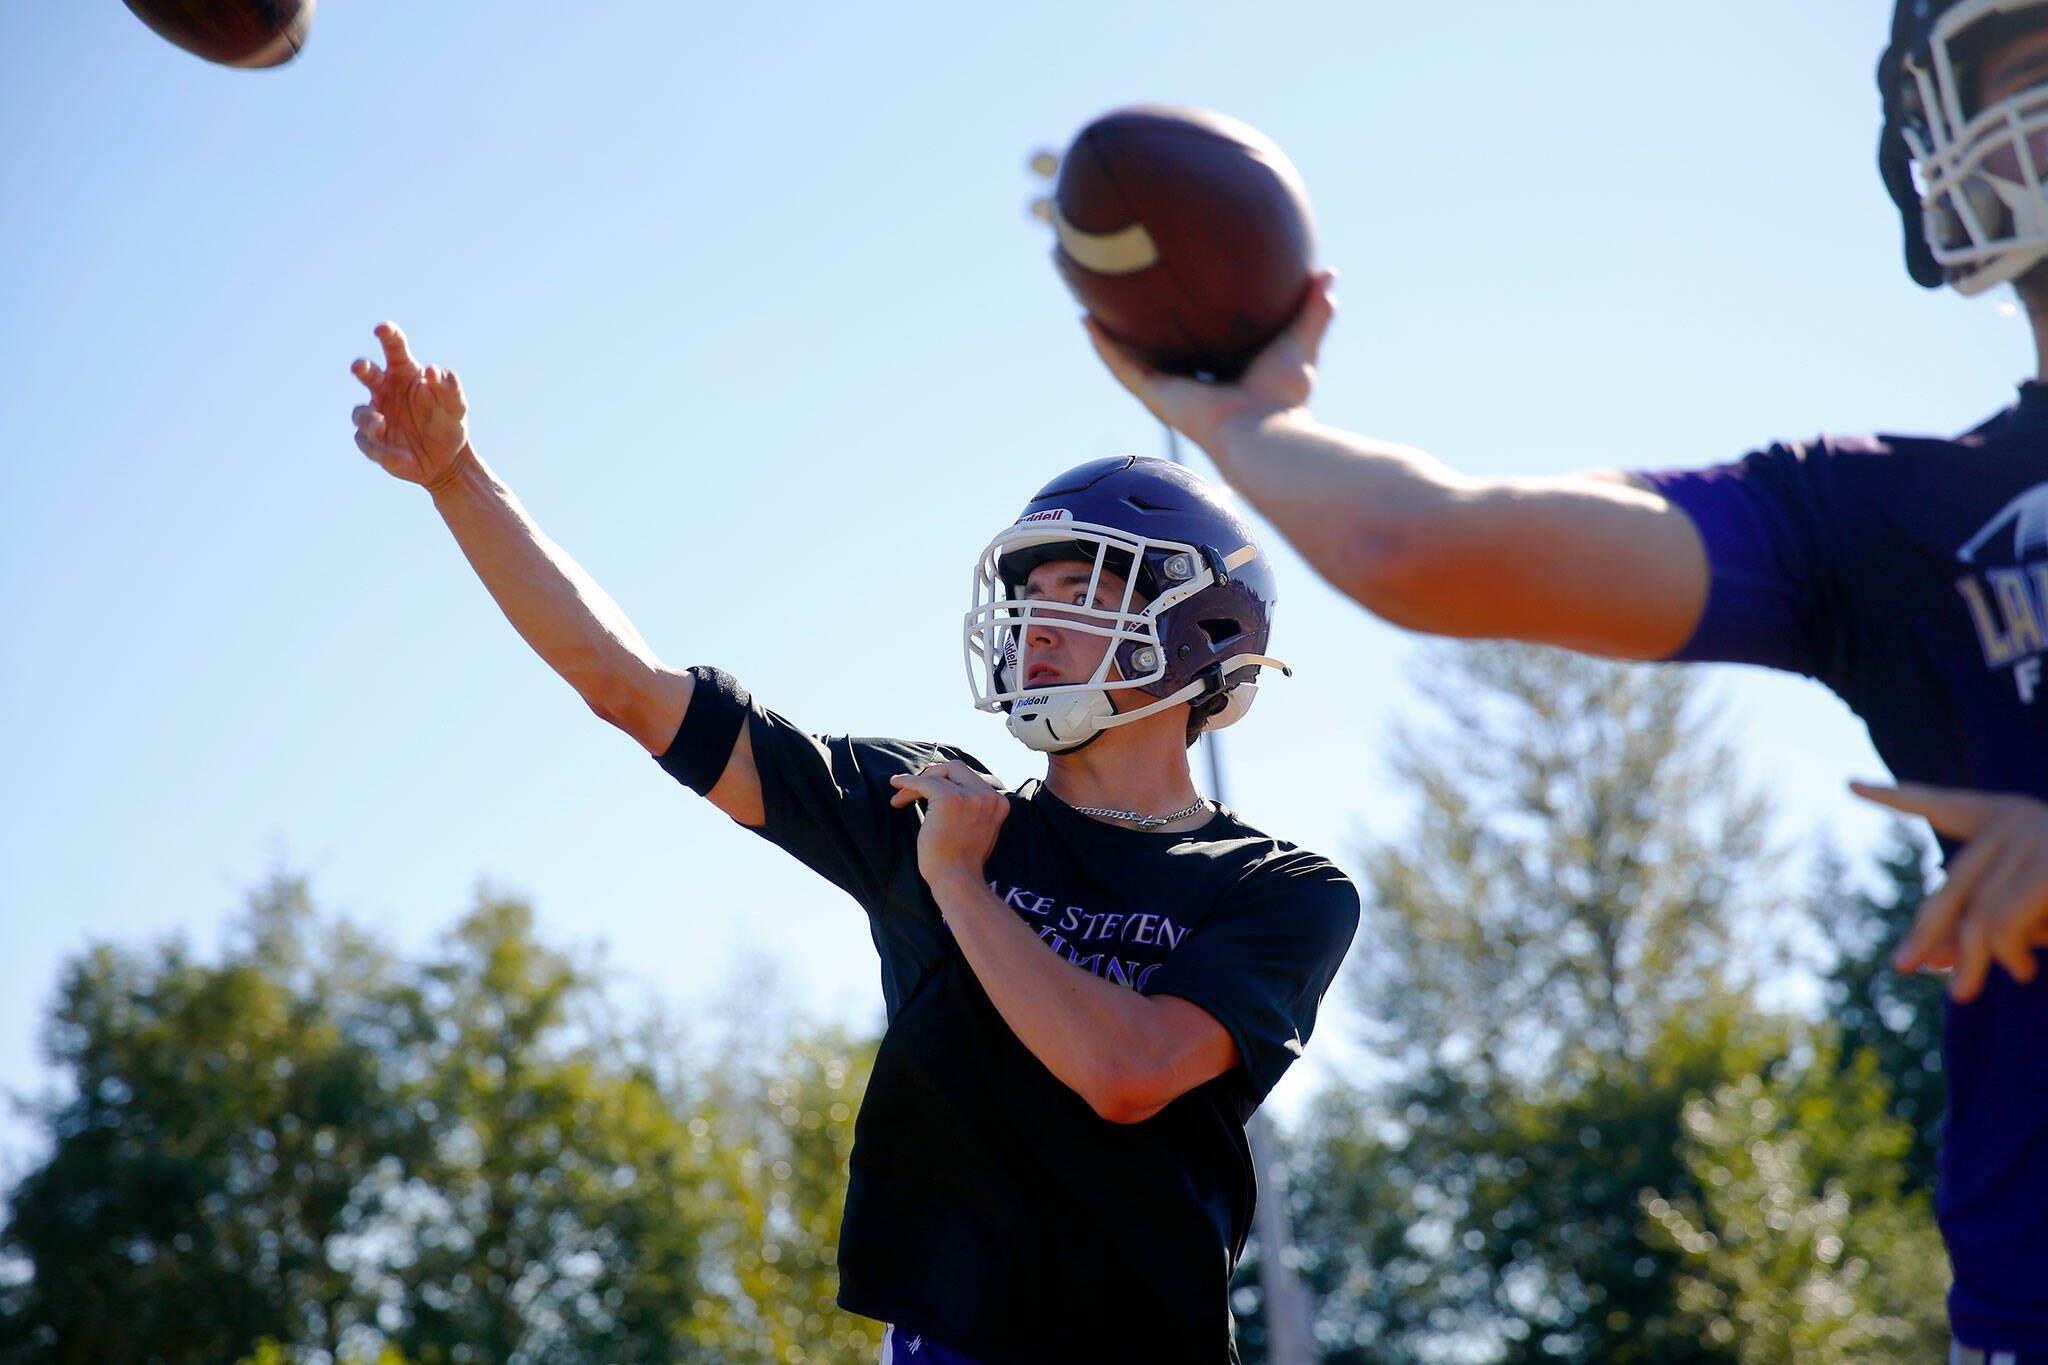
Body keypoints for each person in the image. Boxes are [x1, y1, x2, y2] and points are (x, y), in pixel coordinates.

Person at [1087, 1, 2048, 1358]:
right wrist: (1246, 425)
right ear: (1936, 137)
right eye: (2028, 57)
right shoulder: (1900, 519)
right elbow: (1429, 547)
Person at [346, 326, 1359, 1364]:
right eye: (1033, 597)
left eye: (1087, 593)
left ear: (1204, 634)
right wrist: (456, 478)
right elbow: (627, 687)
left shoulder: (1279, 889)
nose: (1039, 627)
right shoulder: (926, 802)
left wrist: (961, 884)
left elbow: (1122, 1070)